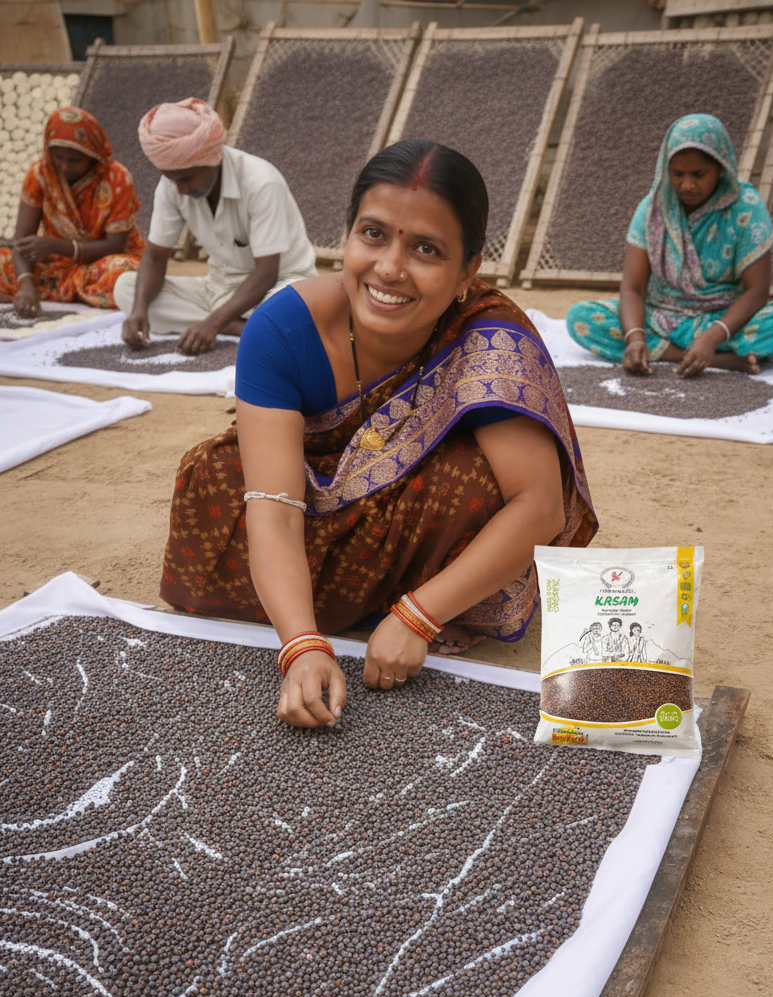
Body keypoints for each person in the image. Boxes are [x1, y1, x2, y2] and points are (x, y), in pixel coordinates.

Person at [160, 139, 598, 727]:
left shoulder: (486, 341)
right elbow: (275, 508)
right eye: (373, 234)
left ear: (469, 270)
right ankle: (318, 609)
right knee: (219, 474)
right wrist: (301, 645)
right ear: (346, 237)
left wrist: (419, 615)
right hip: (311, 514)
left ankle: (399, 605)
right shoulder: (282, 329)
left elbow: (541, 506)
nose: (390, 268)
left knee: (475, 483)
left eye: (426, 249)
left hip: (415, 527)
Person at [566, 113, 773, 379]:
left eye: (699, 174)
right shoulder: (652, 208)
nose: (687, 185)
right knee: (580, 318)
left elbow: (756, 291)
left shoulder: (746, 207)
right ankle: (721, 361)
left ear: (720, 168)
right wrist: (636, 339)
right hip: (660, 318)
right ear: (666, 169)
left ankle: (698, 351)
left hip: (723, 320)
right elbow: (632, 288)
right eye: (677, 174)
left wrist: (712, 336)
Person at [114, 97, 317, 356]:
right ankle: (243, 327)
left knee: (289, 308)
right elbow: (155, 255)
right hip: (220, 289)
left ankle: (233, 323)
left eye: (187, 178)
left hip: (279, 284)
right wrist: (139, 310)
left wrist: (212, 323)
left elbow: (267, 271)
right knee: (126, 289)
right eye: (171, 179)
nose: (181, 189)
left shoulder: (261, 181)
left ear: (212, 157)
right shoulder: (172, 185)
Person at [0, 106, 144, 315]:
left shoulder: (117, 180)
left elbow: (115, 245)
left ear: (92, 155)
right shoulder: (40, 174)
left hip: (100, 263)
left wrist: (57, 246)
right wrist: (26, 283)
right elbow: (22, 241)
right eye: (59, 158)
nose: (65, 167)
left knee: (128, 274)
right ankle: (72, 292)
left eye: (74, 160)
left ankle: (69, 290)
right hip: (55, 265)